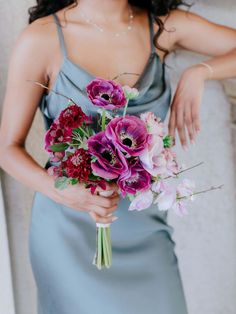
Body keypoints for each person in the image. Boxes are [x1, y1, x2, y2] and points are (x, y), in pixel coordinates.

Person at [0, 0, 236, 313]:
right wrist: (62, 192)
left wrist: (200, 72)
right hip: (68, 230)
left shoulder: (162, 26)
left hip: (145, 228)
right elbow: (7, 149)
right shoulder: (41, 38)